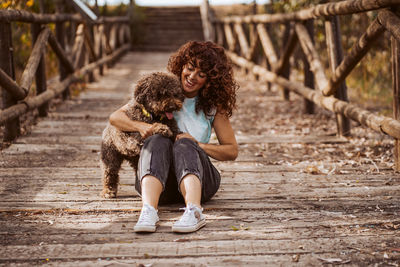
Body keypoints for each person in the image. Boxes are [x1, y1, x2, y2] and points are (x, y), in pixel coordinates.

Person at [109, 41, 239, 233]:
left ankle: (194, 211)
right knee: (158, 138)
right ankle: (149, 210)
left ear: (211, 80)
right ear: (182, 65)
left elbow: (232, 150)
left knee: (184, 143)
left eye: (201, 75)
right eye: (190, 68)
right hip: (161, 185)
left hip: (199, 183)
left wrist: (198, 145)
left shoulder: (212, 106)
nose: (192, 77)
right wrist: (142, 126)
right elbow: (115, 117)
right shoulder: (161, 89)